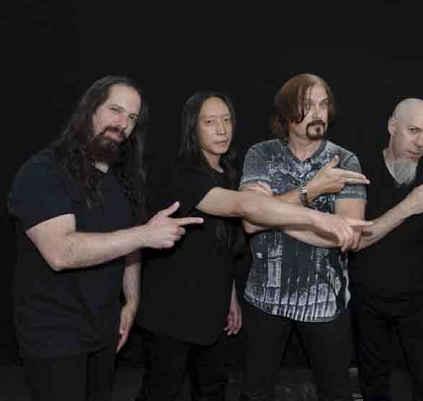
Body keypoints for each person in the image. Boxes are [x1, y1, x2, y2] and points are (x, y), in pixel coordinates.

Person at [135, 90, 370, 401]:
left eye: (226, 120)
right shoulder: (183, 174)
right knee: (161, 391)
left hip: (211, 312)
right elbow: (245, 211)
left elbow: (223, 244)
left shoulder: (228, 173)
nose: (221, 130)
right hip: (171, 311)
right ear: (192, 127)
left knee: (212, 391)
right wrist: (315, 207)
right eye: (210, 122)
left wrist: (230, 295)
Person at [6, 75, 204, 401]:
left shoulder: (122, 178)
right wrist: (144, 234)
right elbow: (60, 252)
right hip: (52, 334)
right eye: (115, 110)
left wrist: (132, 302)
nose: (123, 124)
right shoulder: (43, 171)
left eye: (132, 117)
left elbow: (131, 245)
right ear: (90, 109)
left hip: (103, 328)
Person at [239, 73, 373, 401]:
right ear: (286, 112)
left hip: (325, 304)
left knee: (336, 394)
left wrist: (271, 215)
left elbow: (348, 234)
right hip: (264, 300)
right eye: (308, 105)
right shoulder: (261, 154)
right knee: (254, 394)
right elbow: (248, 221)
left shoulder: (345, 160)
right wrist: (311, 191)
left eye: (323, 105)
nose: (318, 113)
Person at [349, 98, 423, 401]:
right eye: (413, 131)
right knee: (373, 386)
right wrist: (408, 207)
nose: (420, 142)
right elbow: (353, 238)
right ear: (392, 126)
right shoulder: (360, 171)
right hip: (369, 301)